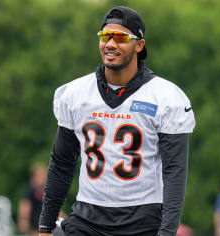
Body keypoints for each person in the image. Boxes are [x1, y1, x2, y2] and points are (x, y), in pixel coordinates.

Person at [39, 5, 196, 236]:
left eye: (121, 37)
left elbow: (175, 172)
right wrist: (45, 225)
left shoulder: (164, 97)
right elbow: (62, 163)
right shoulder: (76, 93)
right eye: (105, 36)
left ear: (139, 45)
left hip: (142, 221)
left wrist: (167, 232)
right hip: (87, 219)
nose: (111, 44)